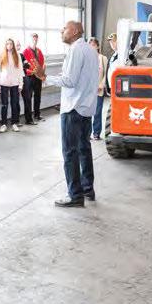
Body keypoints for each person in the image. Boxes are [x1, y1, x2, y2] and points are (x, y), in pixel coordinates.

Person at [35, 21, 98, 208]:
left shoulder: (75, 50)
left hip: (73, 108)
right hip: (86, 108)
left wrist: (45, 77)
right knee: (84, 149)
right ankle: (87, 189)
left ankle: (75, 195)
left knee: (70, 152)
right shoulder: (90, 50)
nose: (61, 30)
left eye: (65, 28)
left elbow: (69, 81)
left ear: (76, 31)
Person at [0, 39, 24, 133]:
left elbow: (20, 71)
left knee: (14, 104)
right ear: (5, 45)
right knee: (4, 105)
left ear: (13, 45)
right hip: (4, 84)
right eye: (8, 44)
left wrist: (21, 84)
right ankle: (3, 124)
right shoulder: (1, 55)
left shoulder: (17, 55)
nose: (9, 45)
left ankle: (14, 123)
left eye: (11, 44)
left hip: (15, 84)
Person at [22, 33, 45, 122]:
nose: (35, 40)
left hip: (38, 76)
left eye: (36, 39)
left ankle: (37, 115)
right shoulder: (25, 51)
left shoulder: (39, 51)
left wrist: (41, 73)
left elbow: (42, 63)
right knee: (28, 97)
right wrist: (31, 72)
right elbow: (24, 67)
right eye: (33, 38)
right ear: (30, 40)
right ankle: (28, 119)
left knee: (38, 95)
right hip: (29, 77)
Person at [88, 37, 108, 140]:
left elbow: (106, 74)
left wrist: (101, 85)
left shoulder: (103, 58)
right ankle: (87, 133)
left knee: (97, 112)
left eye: (93, 45)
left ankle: (96, 133)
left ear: (98, 46)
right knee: (87, 113)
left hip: (99, 90)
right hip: (88, 91)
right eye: (90, 45)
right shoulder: (86, 58)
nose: (92, 47)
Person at [16, 40, 34, 126]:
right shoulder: (10, 56)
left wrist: (29, 64)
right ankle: (16, 121)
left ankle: (29, 119)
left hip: (24, 78)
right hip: (15, 79)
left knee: (28, 98)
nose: (18, 46)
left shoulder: (21, 55)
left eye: (19, 45)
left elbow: (27, 65)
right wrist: (22, 65)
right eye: (16, 45)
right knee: (15, 100)